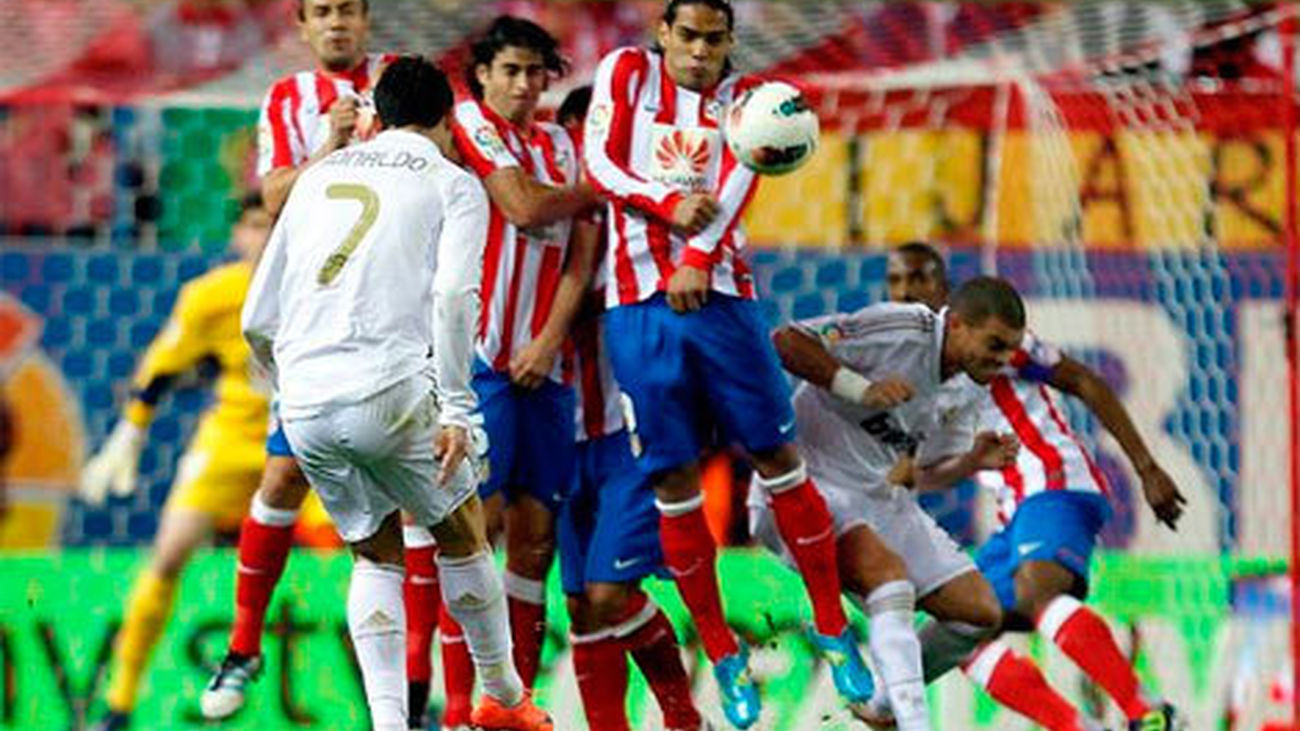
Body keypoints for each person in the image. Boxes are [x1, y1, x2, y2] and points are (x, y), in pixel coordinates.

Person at [582, 1, 872, 726]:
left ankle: (834, 628)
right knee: (673, 480)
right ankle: (722, 653)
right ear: (663, 34)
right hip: (637, 305)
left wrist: (698, 255)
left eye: (715, 39)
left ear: (730, 42)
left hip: (722, 298)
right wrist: (665, 203)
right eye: (689, 36)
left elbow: (749, 173)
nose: (701, 50)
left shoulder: (753, 99)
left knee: (778, 454)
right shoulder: (625, 73)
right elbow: (599, 162)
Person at [241, 55, 551, 731]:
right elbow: (453, 296)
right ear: (446, 122)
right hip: (390, 388)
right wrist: (459, 407)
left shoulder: (318, 176)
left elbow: (256, 318)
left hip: (305, 401)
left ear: (375, 116)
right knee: (462, 534)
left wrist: (291, 389)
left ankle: (388, 722)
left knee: (371, 551)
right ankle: (502, 692)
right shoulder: (453, 182)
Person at [859, 242, 1187, 731]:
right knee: (962, 628)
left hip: (1053, 478)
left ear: (943, 285)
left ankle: (1150, 712)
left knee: (1035, 592)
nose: (907, 291)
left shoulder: (991, 338)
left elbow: (1085, 382)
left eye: (919, 278)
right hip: (1013, 509)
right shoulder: (905, 371)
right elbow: (918, 474)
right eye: (896, 282)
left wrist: (1146, 469)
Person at [200, 0, 405, 719]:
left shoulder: (405, 83)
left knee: (426, 510)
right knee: (284, 473)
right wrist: (330, 147)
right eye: (323, 11)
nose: (338, 23)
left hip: (399, 315)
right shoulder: (287, 99)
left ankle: (423, 691)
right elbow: (275, 194)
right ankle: (244, 643)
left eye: (348, 9)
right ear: (303, 26)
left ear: (367, 18)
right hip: (318, 316)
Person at [78, 194, 310, 731]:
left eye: (272, 225)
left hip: (309, 438)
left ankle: (407, 698)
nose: (262, 237)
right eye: (253, 225)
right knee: (169, 552)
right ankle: (118, 704)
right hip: (235, 436)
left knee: (371, 554)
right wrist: (130, 432)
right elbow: (158, 369)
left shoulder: (315, 280)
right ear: (236, 236)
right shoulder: (210, 296)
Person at [762, 276, 1025, 731]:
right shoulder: (904, 330)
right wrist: (859, 389)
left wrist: (971, 461)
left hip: (878, 496)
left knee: (978, 612)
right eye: (995, 344)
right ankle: (913, 721)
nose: (1002, 361)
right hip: (807, 483)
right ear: (958, 324)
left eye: (1010, 351)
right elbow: (785, 340)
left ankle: (884, 708)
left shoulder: (970, 385)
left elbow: (923, 472)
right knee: (891, 582)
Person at [444, 14, 601, 712]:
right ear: (483, 73)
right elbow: (520, 202)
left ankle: (513, 702)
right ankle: (457, 702)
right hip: (480, 363)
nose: (523, 85)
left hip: (547, 369)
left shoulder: (564, 146)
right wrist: (596, 190)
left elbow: (582, 254)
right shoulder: (473, 125)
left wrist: (548, 339)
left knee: (535, 539)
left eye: (535, 73)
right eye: (510, 70)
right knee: (475, 527)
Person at [554, 85, 709, 731]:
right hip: (557, 439)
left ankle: (681, 714)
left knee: (610, 593)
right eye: (577, 137)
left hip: (627, 438)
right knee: (583, 607)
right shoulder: (541, 228)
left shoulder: (651, 231)